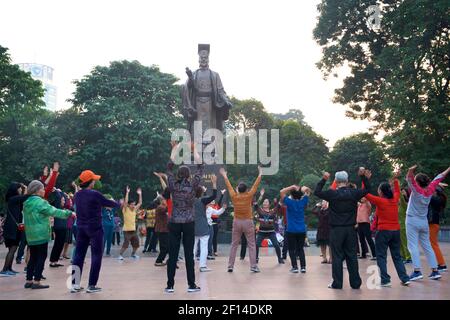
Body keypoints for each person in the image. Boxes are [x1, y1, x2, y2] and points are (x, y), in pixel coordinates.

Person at [314, 169, 371, 289]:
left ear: (336, 181)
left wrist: (324, 179)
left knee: (337, 256)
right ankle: (355, 283)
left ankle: (337, 283)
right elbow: (367, 190)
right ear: (347, 180)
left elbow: (317, 192)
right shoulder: (353, 193)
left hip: (336, 229)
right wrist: (363, 177)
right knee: (351, 256)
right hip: (350, 229)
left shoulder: (332, 193)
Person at [71, 170, 120, 293]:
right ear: (90, 182)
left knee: (78, 255)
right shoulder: (95, 194)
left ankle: (74, 284)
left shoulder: (77, 195)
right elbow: (109, 203)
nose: (95, 181)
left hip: (81, 228)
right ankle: (91, 285)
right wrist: (119, 203)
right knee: (96, 256)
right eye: (93, 179)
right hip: (95, 228)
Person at [165, 141, 203, 293]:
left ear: (178, 174)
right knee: (188, 254)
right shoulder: (193, 185)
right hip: (188, 222)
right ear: (188, 175)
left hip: (174, 221)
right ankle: (191, 285)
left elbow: (169, 167)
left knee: (173, 254)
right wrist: (194, 150)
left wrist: (174, 149)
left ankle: (170, 285)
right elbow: (200, 167)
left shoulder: (172, 183)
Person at [23, 180, 74, 289]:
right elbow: (54, 211)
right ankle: (37, 281)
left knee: (33, 257)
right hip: (41, 234)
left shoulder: (26, 203)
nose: (43, 190)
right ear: (37, 190)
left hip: (31, 235)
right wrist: (69, 213)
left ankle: (28, 280)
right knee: (41, 257)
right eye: (42, 189)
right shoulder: (41, 202)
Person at [365, 170, 411, 287]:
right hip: (396, 231)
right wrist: (395, 179)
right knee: (397, 256)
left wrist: (365, 179)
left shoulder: (380, 201)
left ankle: (385, 280)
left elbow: (364, 193)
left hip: (383, 232)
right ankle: (404, 278)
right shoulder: (394, 199)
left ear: (380, 191)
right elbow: (396, 190)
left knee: (381, 256)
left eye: (378, 190)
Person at [405, 165, 449, 281]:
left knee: (413, 245)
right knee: (427, 246)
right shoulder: (430, 189)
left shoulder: (416, 190)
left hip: (412, 220)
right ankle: (435, 271)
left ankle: (417, 271)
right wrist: (449, 169)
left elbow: (409, 179)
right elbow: (439, 177)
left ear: (418, 183)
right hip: (423, 222)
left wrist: (410, 170)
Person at [220, 165, 262, 273]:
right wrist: (260, 173)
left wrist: (224, 175)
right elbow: (255, 186)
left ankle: (230, 266)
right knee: (252, 244)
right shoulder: (249, 196)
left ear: (238, 189)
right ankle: (253, 266)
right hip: (248, 222)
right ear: (246, 189)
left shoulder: (234, 196)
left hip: (237, 222)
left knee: (234, 244)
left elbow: (229, 186)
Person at [280, 185, 310, 273]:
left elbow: (281, 192)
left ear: (292, 195)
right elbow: (308, 192)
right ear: (300, 195)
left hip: (291, 230)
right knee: (300, 249)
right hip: (301, 230)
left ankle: (295, 267)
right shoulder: (303, 201)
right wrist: (303, 189)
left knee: (292, 249)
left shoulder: (289, 202)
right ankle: (303, 267)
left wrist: (291, 187)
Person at [1, 182, 28, 277]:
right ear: (15, 189)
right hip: (12, 228)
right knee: (12, 249)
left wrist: (24, 188)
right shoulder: (13, 199)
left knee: (13, 248)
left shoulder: (14, 199)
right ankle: (4, 269)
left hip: (13, 227)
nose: (21, 190)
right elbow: (26, 196)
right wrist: (26, 188)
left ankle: (9, 268)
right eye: (19, 188)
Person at [194, 175, 219, 272]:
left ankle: (190, 263)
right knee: (204, 246)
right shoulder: (203, 200)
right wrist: (214, 183)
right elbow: (214, 196)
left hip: (192, 226)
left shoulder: (189, 200)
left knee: (193, 246)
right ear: (201, 193)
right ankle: (202, 266)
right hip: (203, 227)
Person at [254, 189, 284, 265]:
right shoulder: (260, 210)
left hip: (271, 232)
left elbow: (279, 204)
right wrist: (261, 195)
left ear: (269, 204)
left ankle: (280, 259)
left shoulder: (272, 211)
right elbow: (255, 203)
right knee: (256, 245)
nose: (265, 203)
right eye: (264, 202)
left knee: (276, 245)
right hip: (261, 232)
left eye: (266, 202)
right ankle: (256, 258)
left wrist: (283, 194)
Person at [118, 186, 143, 260]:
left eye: (134, 204)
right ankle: (120, 255)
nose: (133, 205)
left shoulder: (134, 209)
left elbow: (140, 203)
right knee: (126, 244)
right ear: (129, 205)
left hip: (133, 230)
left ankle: (133, 254)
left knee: (136, 244)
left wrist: (140, 194)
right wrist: (127, 193)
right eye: (132, 204)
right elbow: (125, 202)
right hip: (126, 230)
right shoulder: (125, 209)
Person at [428, 185, 447, 272]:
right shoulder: (439, 199)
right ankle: (440, 263)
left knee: (434, 244)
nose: (432, 191)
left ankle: (442, 264)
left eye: (433, 190)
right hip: (434, 224)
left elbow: (427, 192)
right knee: (433, 244)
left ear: (436, 192)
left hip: (433, 224)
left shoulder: (435, 199)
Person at [48, 190, 68, 268]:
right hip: (59, 228)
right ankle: (52, 261)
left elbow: (65, 198)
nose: (64, 201)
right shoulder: (57, 206)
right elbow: (58, 197)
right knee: (57, 245)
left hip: (62, 228)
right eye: (62, 200)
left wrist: (62, 193)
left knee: (60, 245)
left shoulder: (62, 208)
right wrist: (57, 191)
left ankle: (55, 261)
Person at [154, 198, 169, 266]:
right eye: (165, 200)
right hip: (162, 230)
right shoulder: (160, 207)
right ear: (162, 201)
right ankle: (158, 261)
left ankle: (166, 260)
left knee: (166, 247)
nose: (166, 201)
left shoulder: (162, 207)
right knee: (164, 247)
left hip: (164, 230)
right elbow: (166, 209)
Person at [399, 188, 412, 263]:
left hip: (404, 225)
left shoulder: (406, 204)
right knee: (400, 242)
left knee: (405, 242)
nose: (402, 192)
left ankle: (408, 257)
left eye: (403, 191)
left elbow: (402, 199)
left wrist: (399, 192)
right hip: (398, 226)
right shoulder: (399, 205)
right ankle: (403, 256)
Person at [211, 190, 226, 256]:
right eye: (211, 200)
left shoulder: (217, 206)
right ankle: (208, 251)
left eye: (214, 200)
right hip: (209, 223)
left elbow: (220, 201)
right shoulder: (208, 207)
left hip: (215, 224)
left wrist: (222, 194)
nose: (213, 201)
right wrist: (205, 192)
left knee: (214, 238)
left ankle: (215, 251)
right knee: (208, 238)